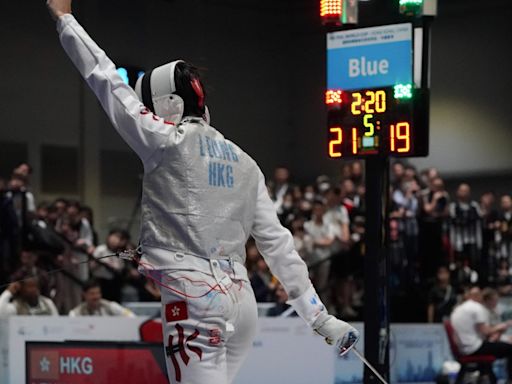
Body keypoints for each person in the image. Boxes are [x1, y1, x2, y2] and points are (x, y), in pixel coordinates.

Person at [46, 2, 359, 384]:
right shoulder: (246, 163)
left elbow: (106, 79)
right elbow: (279, 246)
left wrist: (65, 20)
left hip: (195, 300)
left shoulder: (165, 140)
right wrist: (319, 316)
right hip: (242, 307)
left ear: (167, 104)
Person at [451, 287, 512, 379]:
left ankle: (487, 374)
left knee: (497, 345)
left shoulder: (459, 308)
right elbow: (486, 332)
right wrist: (502, 327)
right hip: (474, 347)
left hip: (463, 347)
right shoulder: (477, 308)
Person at [69, 280, 134, 317]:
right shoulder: (75, 313)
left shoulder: (110, 306)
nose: (96, 297)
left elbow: (130, 316)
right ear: (84, 295)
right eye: (92, 294)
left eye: (98, 293)